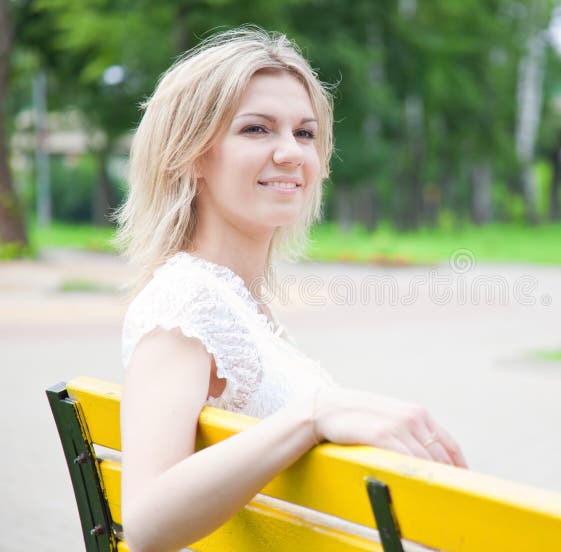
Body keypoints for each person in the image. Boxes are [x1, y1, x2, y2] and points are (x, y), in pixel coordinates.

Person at [115, 26, 467, 552]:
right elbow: (143, 522)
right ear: (190, 154)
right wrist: (312, 414)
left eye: (305, 134)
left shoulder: (231, 301)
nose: (291, 153)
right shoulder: (184, 303)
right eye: (257, 130)